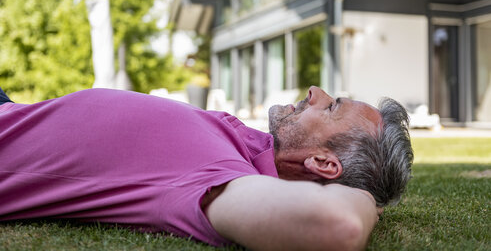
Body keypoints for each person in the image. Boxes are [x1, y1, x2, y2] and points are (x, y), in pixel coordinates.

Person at [0, 86, 413, 250]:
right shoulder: (245, 149)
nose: (315, 93)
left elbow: (338, 225)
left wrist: (367, 200)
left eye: (333, 106)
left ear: (323, 163)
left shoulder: (222, 178)